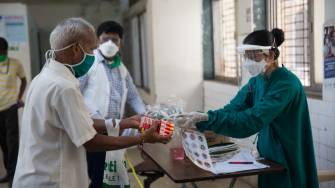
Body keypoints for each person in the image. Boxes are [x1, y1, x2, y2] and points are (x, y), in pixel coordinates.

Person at [12, 18, 171, 188]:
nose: (92, 54)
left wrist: (129, 122)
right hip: (52, 180)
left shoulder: (44, 76)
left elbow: (79, 121)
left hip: (35, 173)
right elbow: (91, 141)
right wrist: (141, 138)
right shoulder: (65, 87)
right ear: (75, 48)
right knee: (98, 179)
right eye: (91, 48)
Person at [184, 28, 319, 188]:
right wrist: (201, 118)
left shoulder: (287, 84)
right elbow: (233, 109)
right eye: (246, 57)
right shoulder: (256, 82)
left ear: (270, 55)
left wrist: (209, 119)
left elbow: (252, 120)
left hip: (287, 159)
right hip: (268, 159)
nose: (248, 62)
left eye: (253, 56)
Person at [77, 20, 146, 188]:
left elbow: (134, 96)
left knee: (112, 176)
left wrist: (146, 115)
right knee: (99, 176)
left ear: (120, 44)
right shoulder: (89, 64)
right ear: (98, 41)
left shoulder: (121, 68)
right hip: (96, 129)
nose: (110, 43)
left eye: (114, 40)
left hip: (116, 130)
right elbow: (74, 92)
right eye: (105, 38)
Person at [0, 37, 26, 187]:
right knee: (3, 143)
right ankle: (9, 172)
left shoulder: (15, 63)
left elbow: (23, 80)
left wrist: (18, 97)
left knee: (12, 142)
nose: (2, 54)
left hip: (10, 107)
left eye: (4, 52)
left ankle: (14, 175)